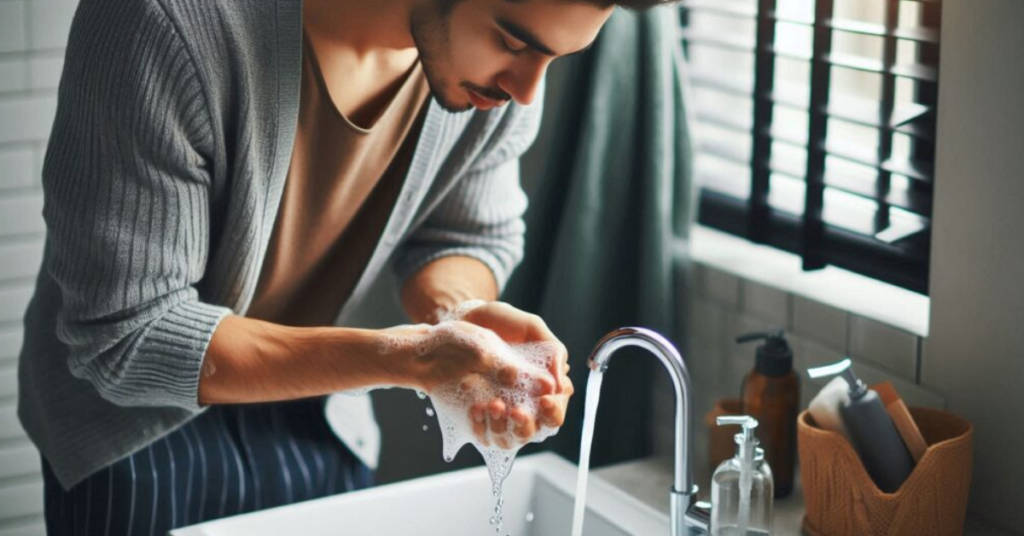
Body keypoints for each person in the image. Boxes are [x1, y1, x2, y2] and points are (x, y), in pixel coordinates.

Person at [16, 0, 672, 533]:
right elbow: (127, 338)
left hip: (324, 419)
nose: (526, 91)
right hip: (134, 443)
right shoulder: (163, 22)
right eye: (513, 39)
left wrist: (461, 315)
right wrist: (409, 358)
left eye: (554, 58)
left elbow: (465, 233)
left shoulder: (491, 80)